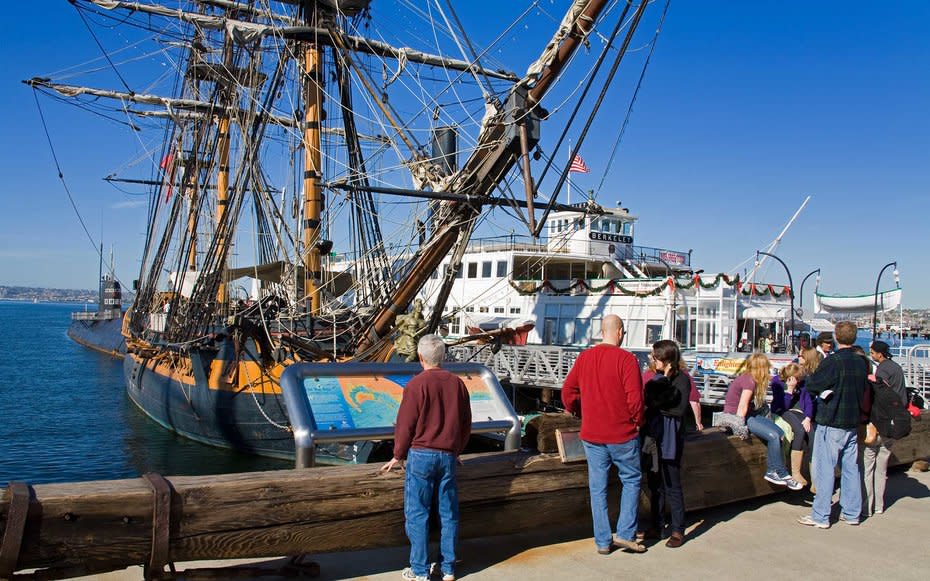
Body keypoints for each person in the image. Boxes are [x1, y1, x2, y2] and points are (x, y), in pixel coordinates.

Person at [381, 335, 472, 581]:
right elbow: (465, 424)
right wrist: (457, 451)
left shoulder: (415, 385)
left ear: (420, 357)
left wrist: (398, 455)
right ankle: (449, 567)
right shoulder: (458, 384)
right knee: (448, 512)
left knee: (418, 513)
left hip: (421, 456)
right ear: (442, 357)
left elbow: (405, 425)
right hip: (447, 457)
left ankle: (419, 570)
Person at [562, 314, 646, 555]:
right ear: (620, 331)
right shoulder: (627, 359)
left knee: (597, 488)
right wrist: (637, 422)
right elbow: (635, 400)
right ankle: (626, 534)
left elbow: (568, 391)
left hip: (592, 433)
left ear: (602, 331)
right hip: (622, 433)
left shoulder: (585, 357)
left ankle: (602, 541)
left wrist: (578, 410)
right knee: (631, 480)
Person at [798, 321, 869, 529]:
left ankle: (821, 515)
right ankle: (852, 512)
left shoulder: (833, 361)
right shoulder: (860, 362)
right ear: (854, 337)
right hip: (852, 421)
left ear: (837, 338)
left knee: (825, 469)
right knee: (851, 468)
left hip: (832, 420)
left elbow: (812, 385)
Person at [720, 353, 802, 490]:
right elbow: (742, 405)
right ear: (761, 368)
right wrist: (739, 426)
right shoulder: (749, 381)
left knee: (780, 432)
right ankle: (778, 472)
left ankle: (776, 471)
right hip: (737, 415)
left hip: (749, 414)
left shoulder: (751, 379)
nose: (768, 372)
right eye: (767, 368)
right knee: (773, 436)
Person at [640, 340, 691, 548]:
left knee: (672, 485)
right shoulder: (656, 379)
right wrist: (659, 401)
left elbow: (677, 408)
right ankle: (657, 524)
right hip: (654, 437)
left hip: (670, 438)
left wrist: (659, 401)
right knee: (655, 485)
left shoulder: (682, 380)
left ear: (666, 358)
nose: (653, 360)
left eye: (656, 357)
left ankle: (678, 529)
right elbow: (650, 400)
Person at [862, 340, 908, 517]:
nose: (871, 355)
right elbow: (901, 398)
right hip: (893, 423)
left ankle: (868, 504)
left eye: (872, 353)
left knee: (868, 468)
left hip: (878, 423)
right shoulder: (896, 367)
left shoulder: (881, 370)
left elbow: (878, 396)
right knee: (881, 469)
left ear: (879, 354)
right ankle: (879, 505)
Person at [770, 363, 814, 486]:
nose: (799, 380)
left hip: (800, 412)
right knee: (799, 430)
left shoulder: (803, 384)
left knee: (811, 434)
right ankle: (795, 472)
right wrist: (789, 391)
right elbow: (782, 406)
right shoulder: (777, 383)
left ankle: (814, 477)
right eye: (798, 378)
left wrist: (808, 417)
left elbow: (808, 402)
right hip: (783, 411)